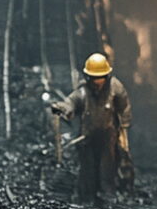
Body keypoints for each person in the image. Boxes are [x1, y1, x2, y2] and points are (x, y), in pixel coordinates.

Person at [50, 53, 133, 201]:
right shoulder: (83, 91)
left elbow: (124, 108)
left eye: (100, 77)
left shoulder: (115, 88)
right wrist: (63, 108)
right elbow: (71, 102)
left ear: (106, 76)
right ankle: (87, 197)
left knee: (107, 167)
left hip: (109, 135)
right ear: (88, 77)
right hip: (87, 136)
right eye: (94, 78)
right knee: (88, 168)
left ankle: (108, 196)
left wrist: (124, 129)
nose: (97, 82)